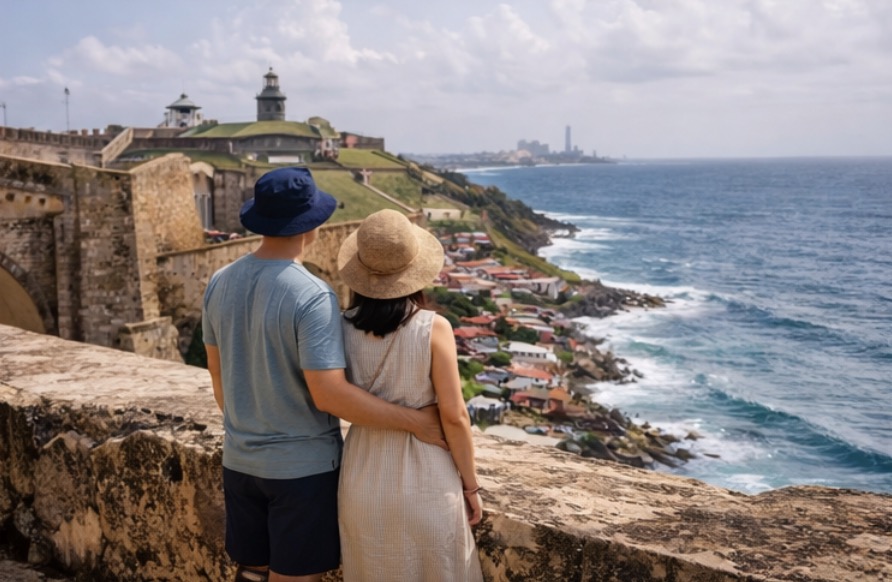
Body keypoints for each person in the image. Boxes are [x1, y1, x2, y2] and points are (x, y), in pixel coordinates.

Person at [202, 168, 445, 582]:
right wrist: (416, 421)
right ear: (312, 225)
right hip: (300, 470)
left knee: (252, 574)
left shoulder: (219, 282)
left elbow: (219, 377)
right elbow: (329, 395)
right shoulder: (311, 294)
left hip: (240, 461)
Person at [336, 209, 484, 581]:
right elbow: (454, 416)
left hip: (362, 476)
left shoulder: (339, 327)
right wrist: (471, 485)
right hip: (427, 478)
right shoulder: (433, 328)